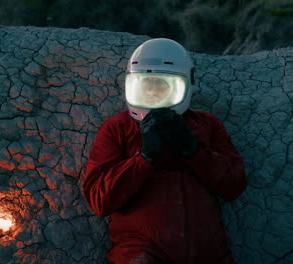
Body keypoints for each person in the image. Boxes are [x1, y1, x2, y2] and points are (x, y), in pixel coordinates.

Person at [82, 38, 247, 264]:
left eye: (162, 85)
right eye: (146, 84)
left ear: (187, 84)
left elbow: (234, 186)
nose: (153, 93)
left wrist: (192, 149)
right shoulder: (117, 128)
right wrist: (144, 158)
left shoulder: (207, 125)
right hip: (141, 255)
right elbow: (99, 201)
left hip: (209, 254)